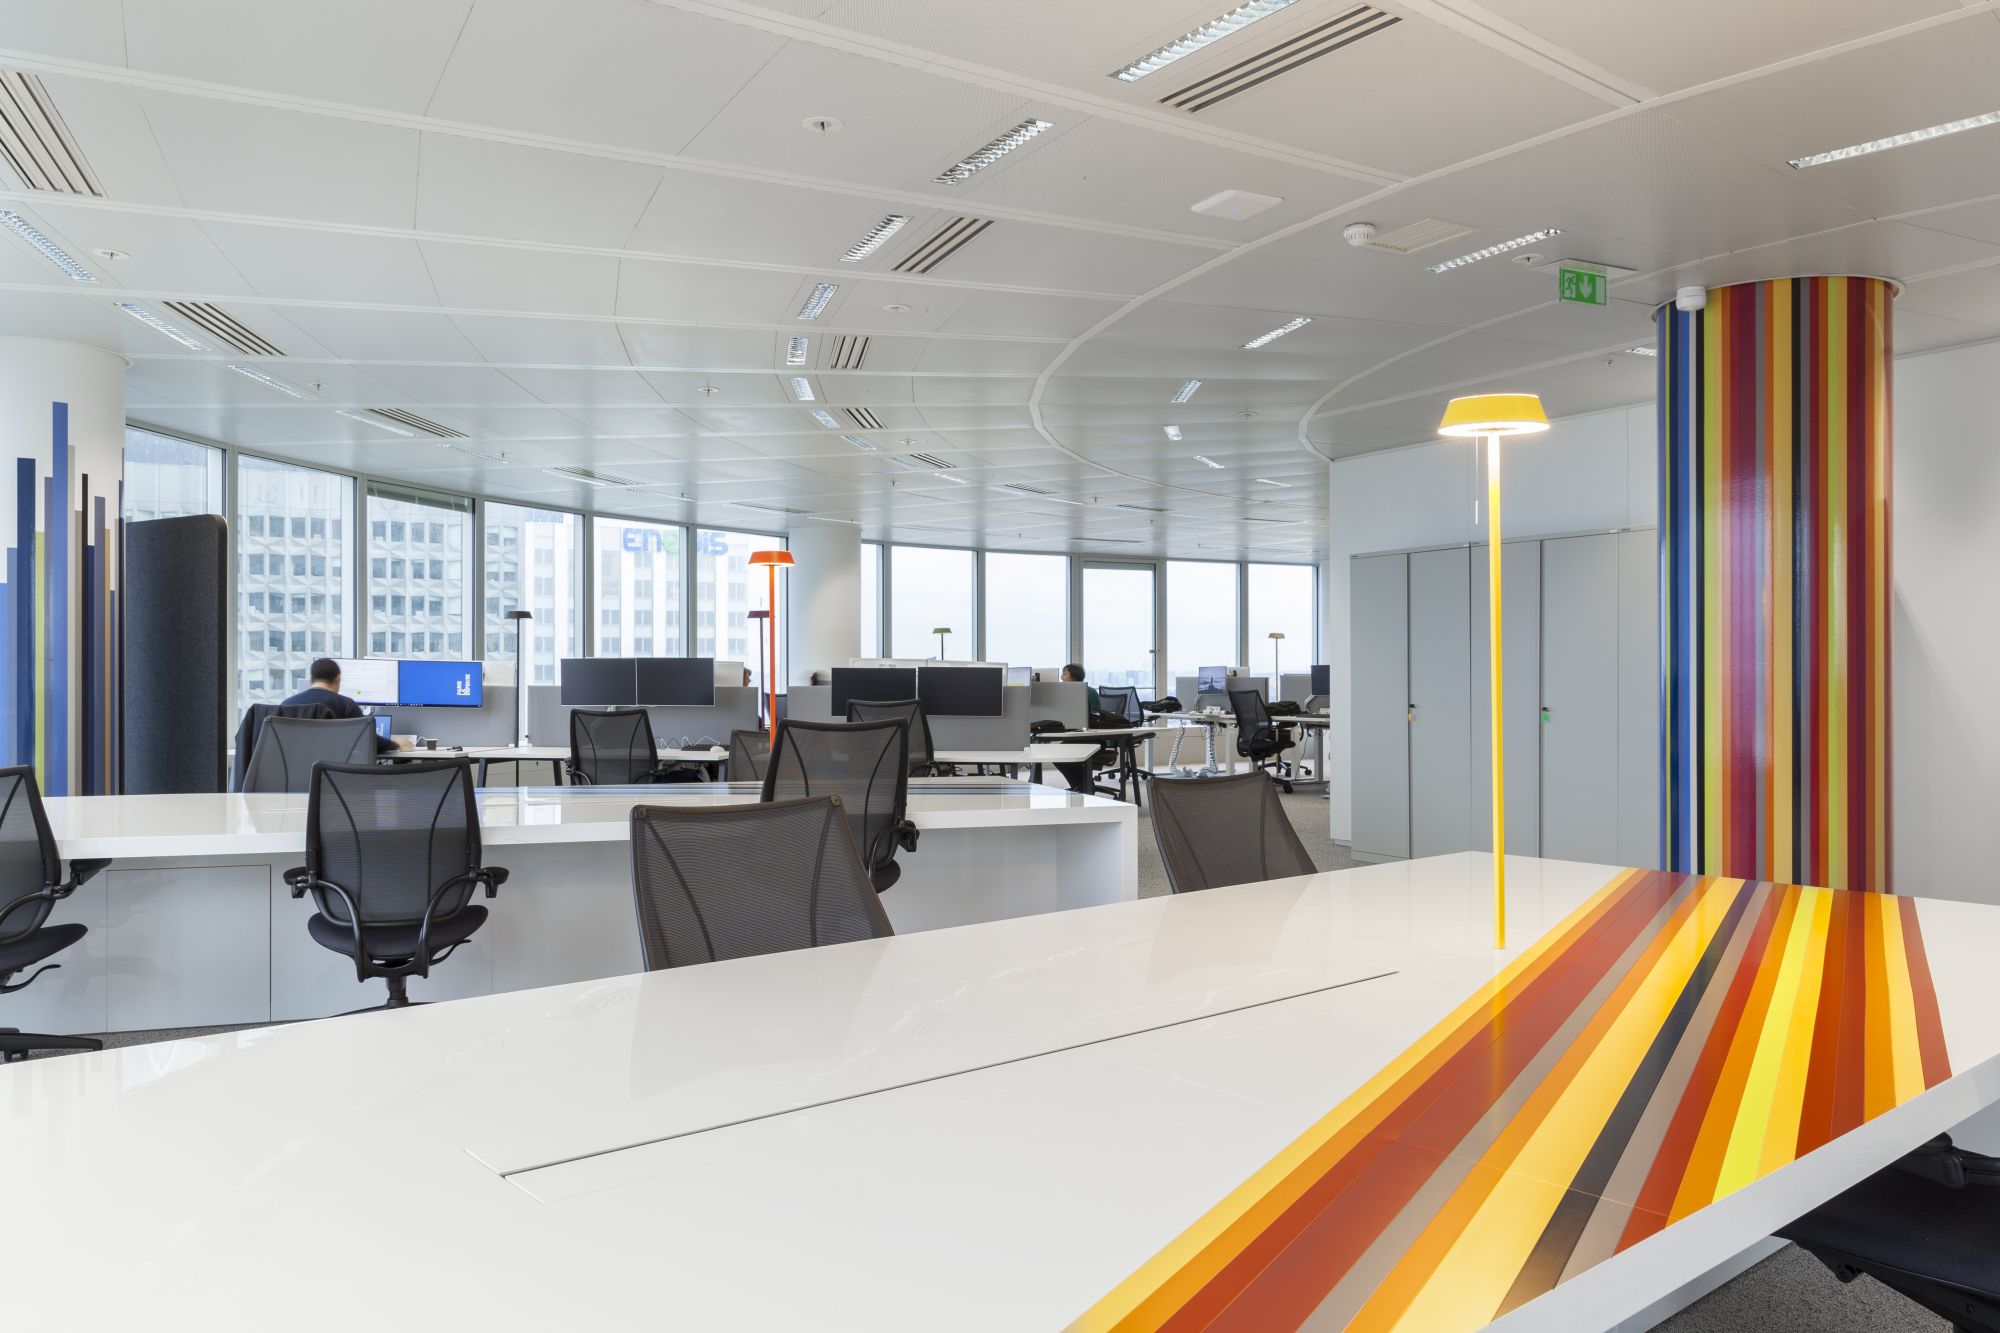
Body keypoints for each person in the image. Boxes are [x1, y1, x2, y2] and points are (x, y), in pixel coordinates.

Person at [282, 658, 405, 753]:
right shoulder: (345, 705)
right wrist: (396, 744)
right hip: (332, 773)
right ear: (338, 679)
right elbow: (368, 742)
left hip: (293, 774)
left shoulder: (286, 705)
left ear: (311, 679)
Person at [1054, 663, 1103, 795]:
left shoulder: (1089, 692)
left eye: (1065, 673)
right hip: (1073, 735)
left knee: (1061, 755)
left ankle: (1082, 787)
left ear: (1074, 675)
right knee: (1055, 754)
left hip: (1091, 737)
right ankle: (1081, 786)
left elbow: (1096, 716)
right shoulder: (1062, 693)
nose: (1061, 677)